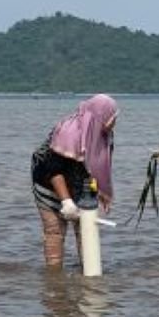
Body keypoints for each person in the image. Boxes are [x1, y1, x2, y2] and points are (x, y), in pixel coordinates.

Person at [31, 94, 119, 267]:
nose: (113, 122)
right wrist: (66, 201)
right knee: (54, 230)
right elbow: (53, 169)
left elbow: (96, 169)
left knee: (86, 229)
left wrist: (97, 192)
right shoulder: (68, 132)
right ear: (100, 116)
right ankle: (54, 277)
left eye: (114, 118)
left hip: (80, 182)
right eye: (111, 117)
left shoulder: (105, 135)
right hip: (48, 180)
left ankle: (88, 273)